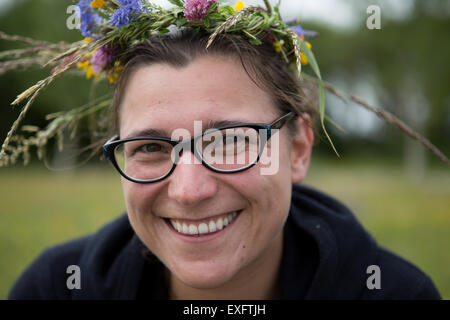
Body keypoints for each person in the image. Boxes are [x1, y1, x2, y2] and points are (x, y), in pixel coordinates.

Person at [5, 1, 442, 300]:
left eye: (230, 140)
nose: (189, 191)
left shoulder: (396, 292)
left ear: (299, 150)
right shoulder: (53, 288)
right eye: (152, 146)